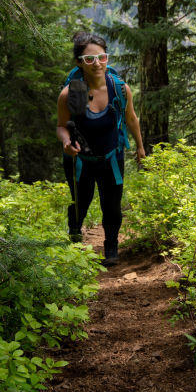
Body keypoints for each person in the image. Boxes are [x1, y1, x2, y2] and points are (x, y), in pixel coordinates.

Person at [57, 32, 145, 266]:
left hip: (111, 157)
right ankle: (75, 242)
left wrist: (140, 148)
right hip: (80, 160)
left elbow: (132, 119)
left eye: (102, 57)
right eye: (89, 59)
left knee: (112, 206)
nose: (97, 63)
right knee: (80, 203)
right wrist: (66, 142)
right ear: (79, 63)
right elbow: (61, 126)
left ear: (107, 59)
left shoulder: (119, 89)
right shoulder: (70, 94)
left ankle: (111, 247)